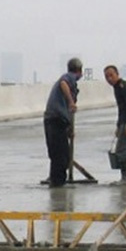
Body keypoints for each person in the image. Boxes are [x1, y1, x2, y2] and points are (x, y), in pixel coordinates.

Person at [43, 58, 83, 187]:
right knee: (60, 156)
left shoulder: (72, 84)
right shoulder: (69, 77)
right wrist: (71, 101)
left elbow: (67, 111)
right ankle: (57, 182)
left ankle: (56, 179)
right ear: (79, 71)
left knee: (59, 154)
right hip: (55, 119)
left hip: (55, 120)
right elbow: (63, 83)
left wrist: (69, 129)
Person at [103, 65, 126, 183]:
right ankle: (125, 177)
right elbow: (122, 109)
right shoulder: (117, 88)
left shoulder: (122, 86)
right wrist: (119, 125)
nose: (109, 78)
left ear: (117, 74)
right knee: (124, 148)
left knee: (123, 149)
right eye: (106, 76)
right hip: (125, 122)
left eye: (111, 75)